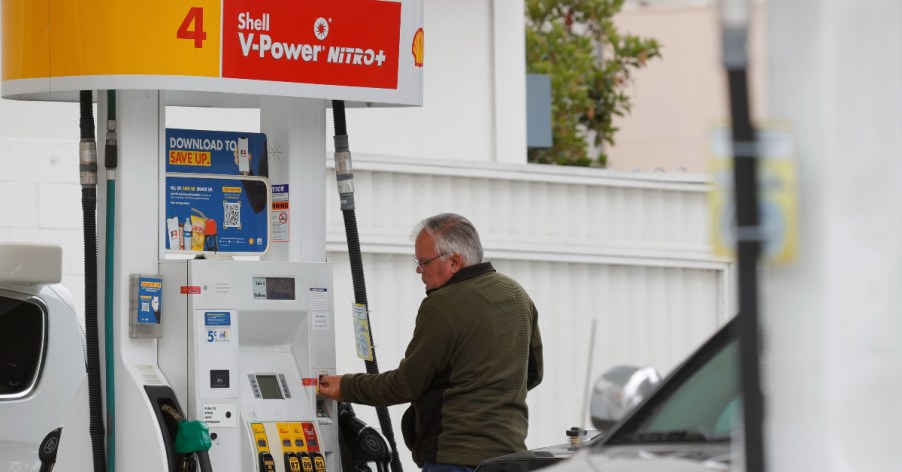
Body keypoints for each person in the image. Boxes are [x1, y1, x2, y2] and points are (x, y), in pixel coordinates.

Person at [319, 213, 543, 471]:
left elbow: (405, 385)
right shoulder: (516, 293)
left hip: (453, 460)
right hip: (510, 458)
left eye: (423, 261)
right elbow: (534, 373)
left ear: (455, 261)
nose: (418, 269)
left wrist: (344, 386)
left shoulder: (443, 305)